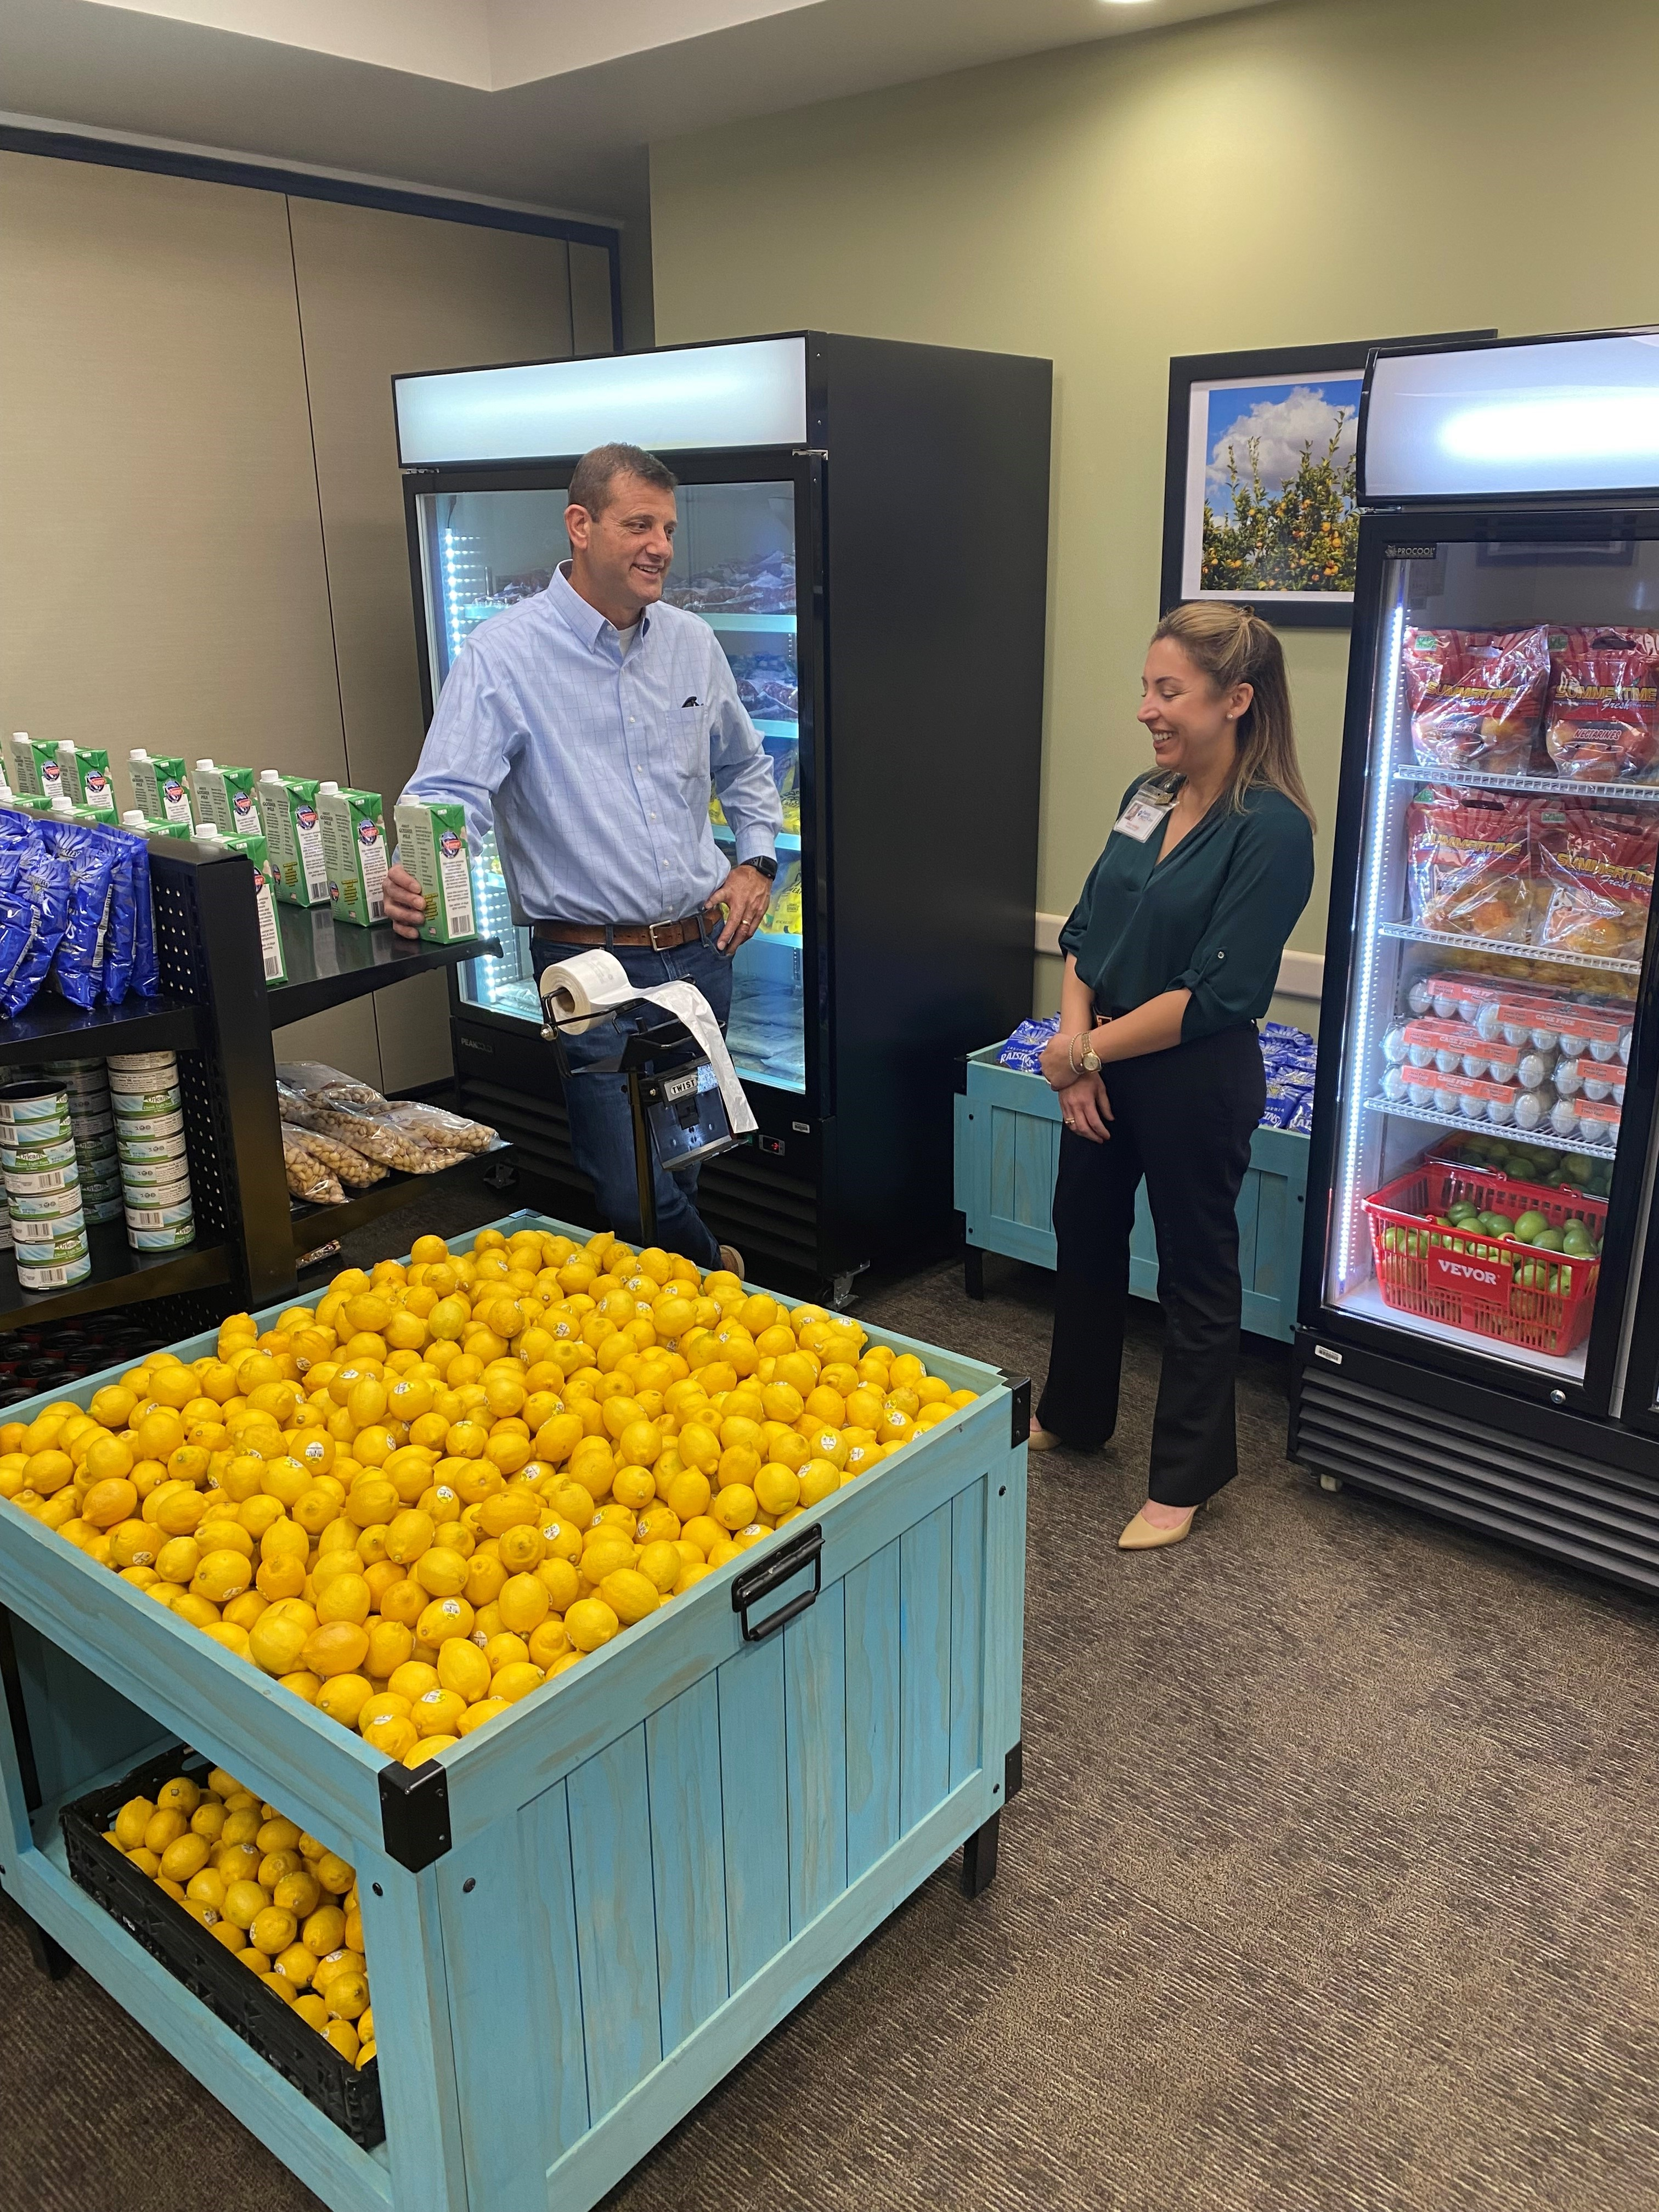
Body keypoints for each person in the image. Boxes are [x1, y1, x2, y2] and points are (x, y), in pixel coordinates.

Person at [388, 441, 782, 1273]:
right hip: (586, 962)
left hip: (701, 951)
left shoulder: (691, 644)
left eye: (669, 528)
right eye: (638, 523)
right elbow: (448, 795)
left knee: (687, 1153)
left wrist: (756, 862)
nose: (661, 547)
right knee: (625, 1185)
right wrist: (422, 875)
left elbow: (746, 767)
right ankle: (719, 1281)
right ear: (581, 525)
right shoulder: (504, 653)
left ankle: (673, 1328)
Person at [1029, 602, 1316, 1551]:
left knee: (1196, 1272)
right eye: (1146, 689)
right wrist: (1074, 1053)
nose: (1148, 710)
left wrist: (1088, 1053)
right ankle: (1074, 1412)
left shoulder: (1270, 830)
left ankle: (1186, 1477)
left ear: (1235, 700)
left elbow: (1214, 994)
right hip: (1101, 1060)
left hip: (1193, 1077)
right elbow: (1086, 930)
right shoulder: (1144, 795)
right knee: (1087, 1238)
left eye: (1169, 692)